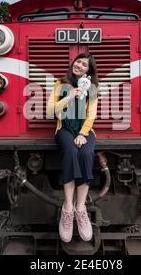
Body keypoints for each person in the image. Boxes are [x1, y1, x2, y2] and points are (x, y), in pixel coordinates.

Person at [46, 52, 99, 243]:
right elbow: (51, 110)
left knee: (85, 153)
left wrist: (83, 134)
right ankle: (67, 208)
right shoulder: (60, 84)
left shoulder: (92, 89)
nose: (80, 66)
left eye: (85, 65)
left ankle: (80, 208)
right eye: (78, 62)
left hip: (84, 131)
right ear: (73, 63)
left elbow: (91, 114)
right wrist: (69, 96)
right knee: (69, 152)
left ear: (88, 71)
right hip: (64, 129)